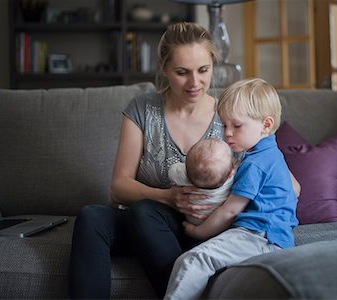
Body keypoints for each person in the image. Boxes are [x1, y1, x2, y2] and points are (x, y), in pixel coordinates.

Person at [68, 22, 224, 299]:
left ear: (212, 64)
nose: (194, 83)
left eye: (203, 70)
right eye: (181, 73)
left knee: (143, 212)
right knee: (94, 216)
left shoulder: (228, 111)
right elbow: (119, 186)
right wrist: (168, 197)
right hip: (150, 223)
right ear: (164, 69)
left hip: (210, 225)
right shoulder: (142, 109)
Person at [164, 78, 300, 300]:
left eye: (236, 126)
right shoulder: (272, 155)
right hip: (270, 236)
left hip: (260, 237)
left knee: (193, 260)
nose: (227, 133)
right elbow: (296, 189)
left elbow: (230, 210)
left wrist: (197, 231)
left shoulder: (254, 163)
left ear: (266, 125)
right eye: (224, 125)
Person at [168, 138, 236, 225]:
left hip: (192, 219)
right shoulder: (231, 179)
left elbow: (172, 170)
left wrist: (184, 168)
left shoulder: (185, 177)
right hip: (218, 223)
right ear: (231, 172)